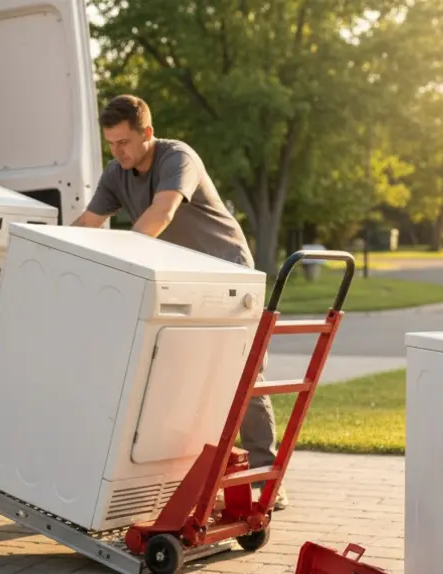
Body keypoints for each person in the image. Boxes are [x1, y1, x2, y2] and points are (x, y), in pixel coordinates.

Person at [72, 94, 287, 510]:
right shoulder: (117, 174)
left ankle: (264, 481)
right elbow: (87, 224)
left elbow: (163, 211)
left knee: (244, 378)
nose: (117, 153)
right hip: (186, 280)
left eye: (124, 143)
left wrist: (124, 260)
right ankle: (186, 477)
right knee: (183, 376)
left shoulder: (177, 158)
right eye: (111, 144)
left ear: (147, 134)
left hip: (228, 273)